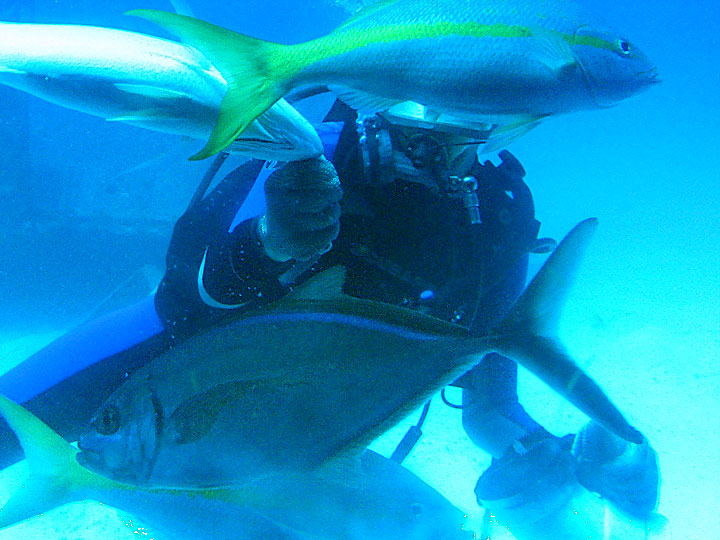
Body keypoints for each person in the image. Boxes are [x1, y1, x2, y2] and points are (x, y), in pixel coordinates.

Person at [0, 97, 661, 538]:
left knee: (441, 530)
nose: (438, 150)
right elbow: (188, 297)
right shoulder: (302, 152)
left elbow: (489, 401)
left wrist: (548, 452)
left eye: (470, 122)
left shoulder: (492, 215)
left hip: (296, 441)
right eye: (420, 122)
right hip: (148, 376)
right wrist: (269, 242)